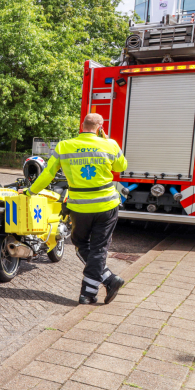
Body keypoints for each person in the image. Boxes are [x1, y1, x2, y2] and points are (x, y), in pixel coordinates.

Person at [23, 113, 128, 305]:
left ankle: (92, 290)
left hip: (79, 207)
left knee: (80, 243)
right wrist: (106, 141)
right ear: (100, 127)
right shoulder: (110, 144)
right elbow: (121, 166)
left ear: (82, 126)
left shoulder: (64, 146)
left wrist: (30, 191)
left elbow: (47, 174)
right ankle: (101, 285)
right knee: (99, 248)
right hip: (106, 205)